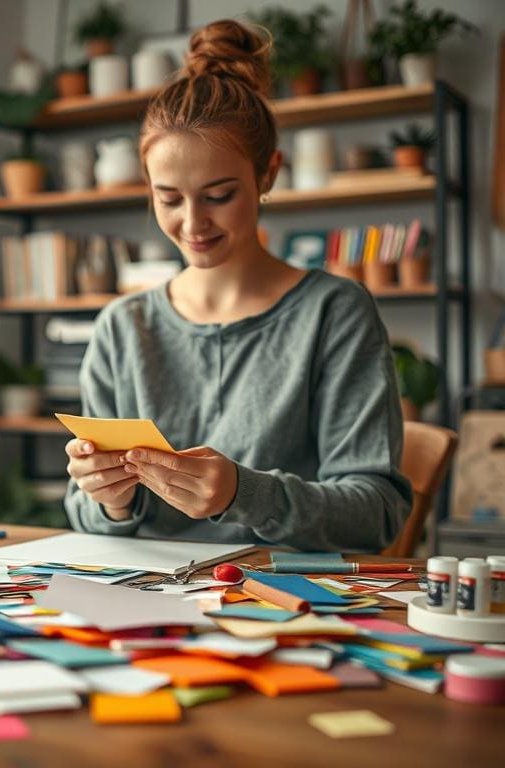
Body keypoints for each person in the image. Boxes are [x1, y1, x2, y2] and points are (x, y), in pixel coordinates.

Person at [63, 19, 412, 552]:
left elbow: (377, 513)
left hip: (287, 604)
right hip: (143, 601)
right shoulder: (123, 327)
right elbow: (84, 512)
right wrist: (108, 498)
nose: (193, 224)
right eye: (169, 198)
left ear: (268, 173)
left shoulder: (334, 312)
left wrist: (243, 494)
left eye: (219, 195)